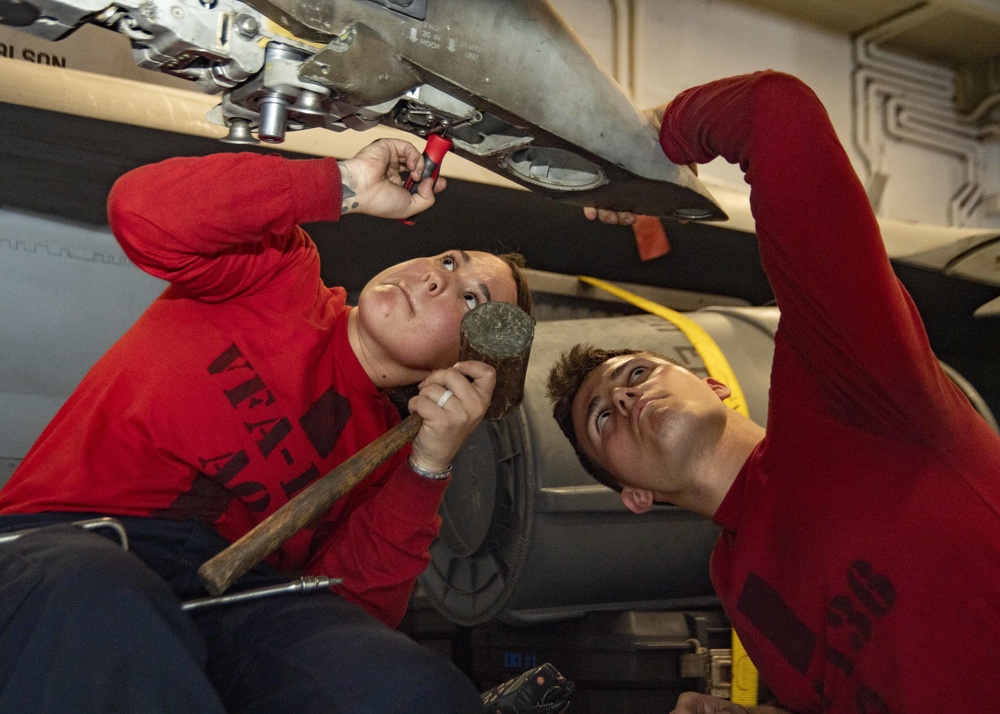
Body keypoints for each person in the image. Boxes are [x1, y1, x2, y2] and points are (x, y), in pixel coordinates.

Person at [0, 137, 532, 714]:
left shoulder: (385, 454)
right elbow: (140, 210)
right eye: (450, 261)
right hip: (70, 546)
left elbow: (349, 616)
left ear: (466, 359)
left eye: (471, 301)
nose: (436, 278)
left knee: (410, 689)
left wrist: (427, 467)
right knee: (104, 605)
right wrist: (344, 182)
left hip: (224, 604)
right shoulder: (280, 273)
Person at [547, 70, 1000, 713]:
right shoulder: (737, 586)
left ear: (715, 388)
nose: (623, 398)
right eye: (601, 418)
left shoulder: (839, 392)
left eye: (637, 372)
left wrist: (642, 152)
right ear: (636, 495)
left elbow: (775, 108)